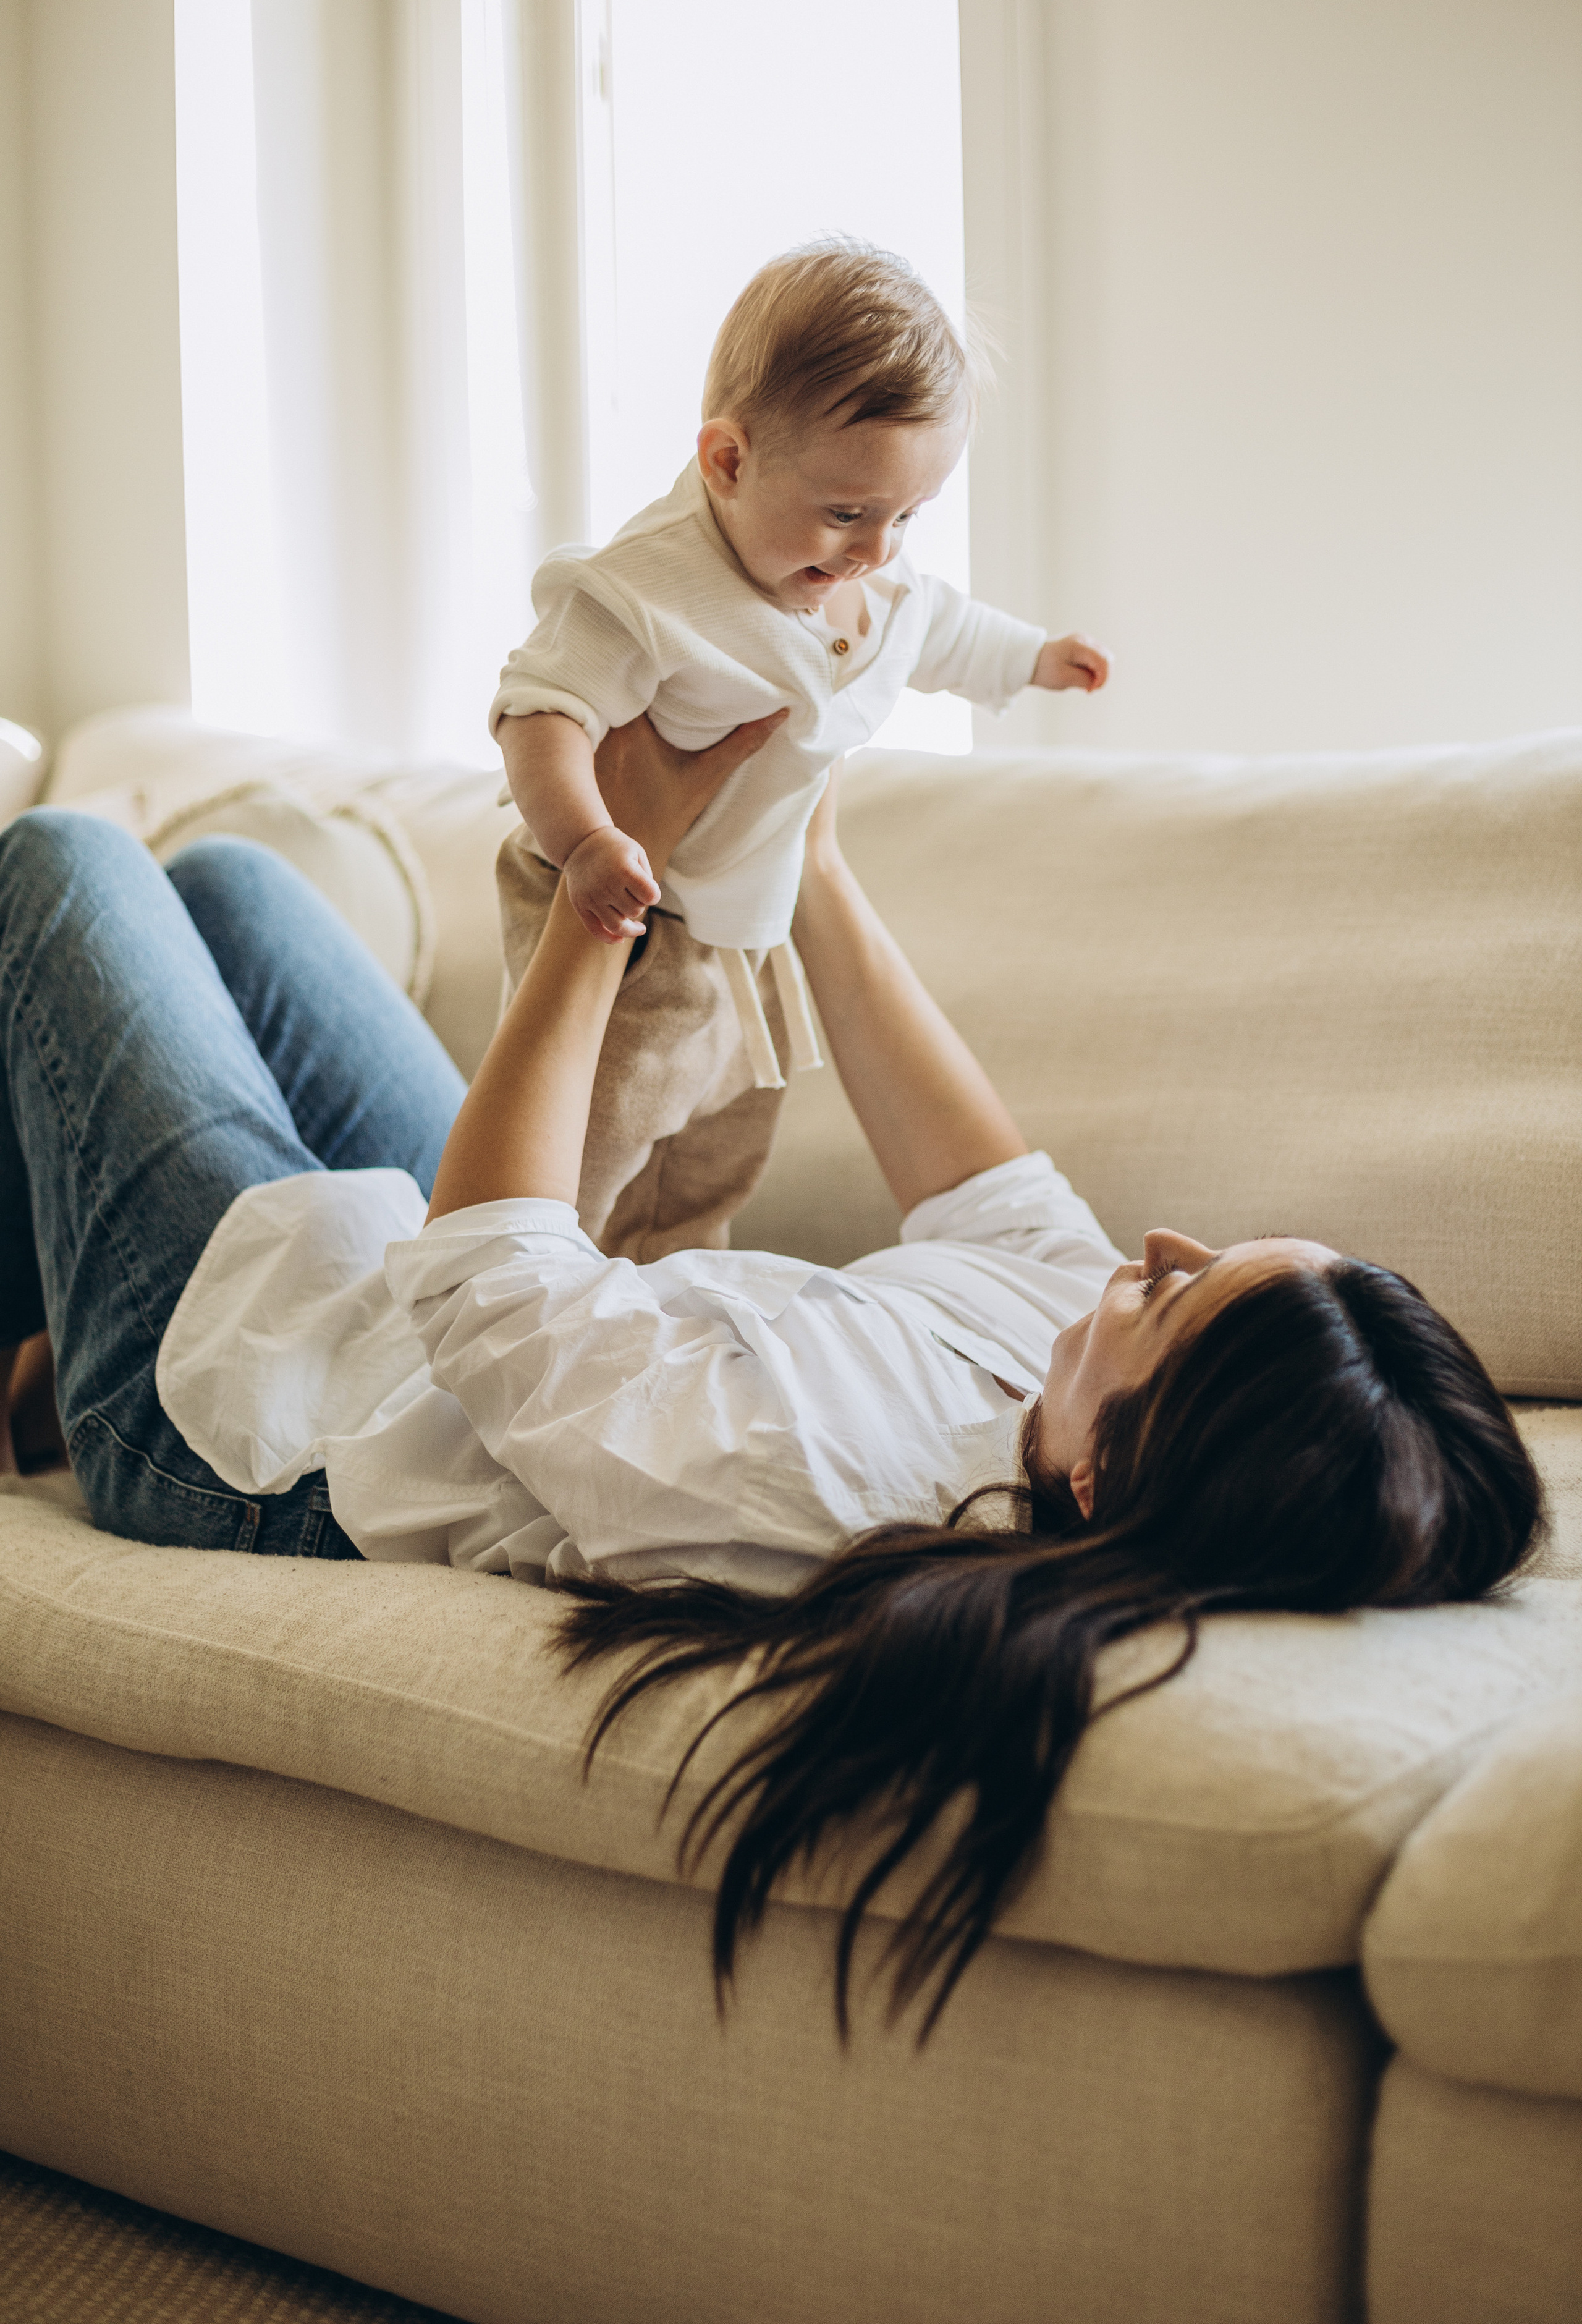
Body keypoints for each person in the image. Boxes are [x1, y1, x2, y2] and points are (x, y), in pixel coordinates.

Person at [0, 717, 1541, 2030]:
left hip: (260, 1420)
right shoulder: (1065, 1367)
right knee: (237, 888)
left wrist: (603, 906)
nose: (1149, 1243)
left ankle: (76, 1372)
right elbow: (985, 1183)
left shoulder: (815, 1476)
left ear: (1101, 1474)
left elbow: (485, 1277)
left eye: (1176, 1291)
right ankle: (44, 1326)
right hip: (430, 1285)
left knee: (60, 868)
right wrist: (791, 828)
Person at [491, 240, 1110, 1261]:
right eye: (846, 514)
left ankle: (667, 1279)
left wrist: (1035, 659)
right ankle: (541, 1283)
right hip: (632, 917)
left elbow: (941, 627)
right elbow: (540, 715)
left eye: (909, 514)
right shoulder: (648, 588)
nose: (876, 549)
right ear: (727, 461)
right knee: (595, 1141)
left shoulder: (860, 579)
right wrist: (588, 839)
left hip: (752, 921)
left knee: (721, 1145)